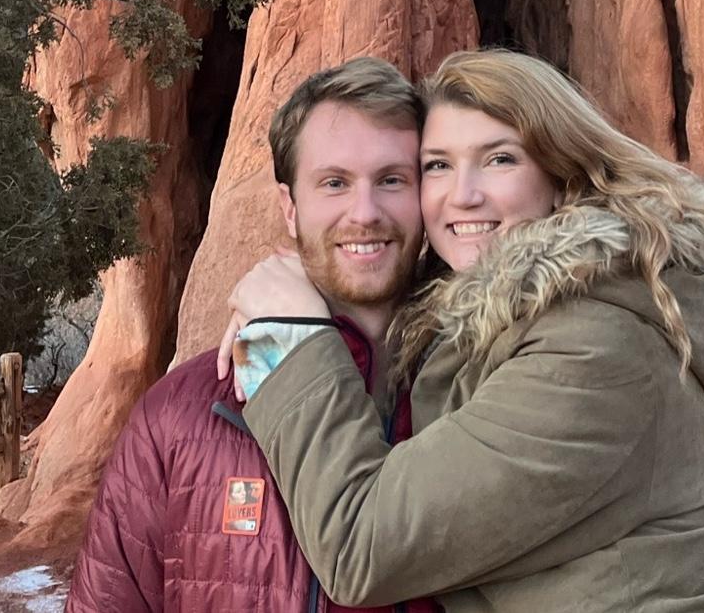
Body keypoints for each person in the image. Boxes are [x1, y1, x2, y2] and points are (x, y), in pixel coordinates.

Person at [222, 47, 704, 612]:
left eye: (499, 159)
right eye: (437, 165)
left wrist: (283, 337)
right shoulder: (499, 319)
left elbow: (361, 546)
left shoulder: (596, 349)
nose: (463, 194)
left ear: (561, 177)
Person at [64, 56, 440, 613]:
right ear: (289, 208)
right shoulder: (178, 418)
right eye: (334, 183)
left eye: (391, 180)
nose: (365, 212)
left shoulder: (477, 396)